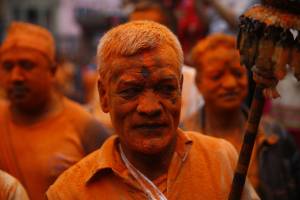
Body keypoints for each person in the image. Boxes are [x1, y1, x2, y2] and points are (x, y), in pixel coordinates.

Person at [46, 21, 258, 199]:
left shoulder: (221, 159)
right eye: (130, 91)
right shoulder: (69, 192)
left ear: (180, 88)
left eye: (166, 89)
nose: (150, 108)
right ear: (103, 96)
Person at [0, 21, 110, 200]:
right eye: (7, 67)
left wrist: (79, 178)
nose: (16, 77)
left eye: (27, 66)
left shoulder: (84, 125)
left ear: (52, 71)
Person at [182, 33, 300, 200]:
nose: (230, 84)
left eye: (238, 74)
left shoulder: (273, 134)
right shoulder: (183, 139)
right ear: (198, 83)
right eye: (216, 76)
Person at [129, 1, 204, 122]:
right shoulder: (114, 77)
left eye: (151, 31)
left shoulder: (193, 81)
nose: (141, 39)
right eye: (134, 31)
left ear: (171, 34)